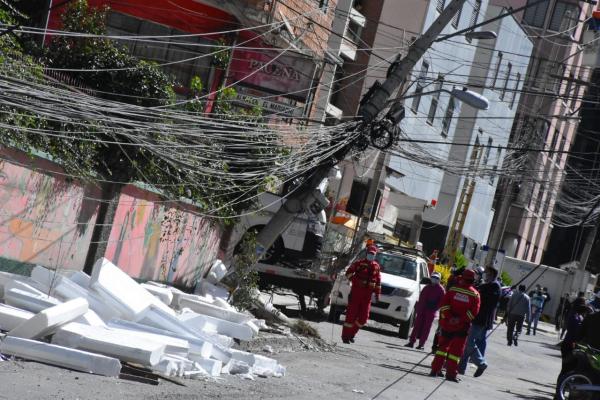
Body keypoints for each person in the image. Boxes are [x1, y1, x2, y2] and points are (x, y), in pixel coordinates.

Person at [429, 269, 480, 383]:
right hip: (462, 327)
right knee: (455, 353)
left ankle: (435, 370)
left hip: (448, 324)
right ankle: (450, 375)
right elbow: (473, 312)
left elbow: (444, 305)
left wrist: (450, 317)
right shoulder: (475, 294)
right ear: (472, 280)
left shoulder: (452, 290)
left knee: (442, 348)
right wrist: (459, 320)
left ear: (462, 278)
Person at [458, 266, 501, 378]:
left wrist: (480, 290)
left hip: (482, 319)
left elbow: (488, 302)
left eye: (488, 274)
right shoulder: (485, 286)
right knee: (469, 343)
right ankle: (461, 368)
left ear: (492, 275)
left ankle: (481, 363)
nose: (486, 275)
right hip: (477, 318)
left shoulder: (494, 287)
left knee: (469, 342)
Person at [341, 245, 382, 344]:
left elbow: (378, 282)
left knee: (364, 318)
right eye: (370, 254)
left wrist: (377, 295)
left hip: (367, 297)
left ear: (375, 255)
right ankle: (345, 337)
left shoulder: (376, 266)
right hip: (356, 294)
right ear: (367, 254)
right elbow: (348, 274)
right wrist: (356, 281)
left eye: (373, 254)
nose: (371, 256)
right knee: (351, 317)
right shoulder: (358, 264)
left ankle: (351, 334)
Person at [555, 297, 592, 398]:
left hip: (570, 344)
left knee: (568, 370)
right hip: (569, 345)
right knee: (566, 370)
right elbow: (577, 329)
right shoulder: (573, 315)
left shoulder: (577, 315)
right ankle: (559, 392)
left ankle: (560, 390)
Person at [406, 272, 445, 350]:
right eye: (433, 277)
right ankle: (411, 342)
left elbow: (442, 302)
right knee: (416, 326)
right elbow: (421, 298)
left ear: (439, 279)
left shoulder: (441, 290)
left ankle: (421, 344)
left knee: (426, 328)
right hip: (422, 309)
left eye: (437, 278)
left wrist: (435, 307)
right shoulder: (426, 287)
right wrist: (419, 308)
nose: (434, 279)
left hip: (431, 311)